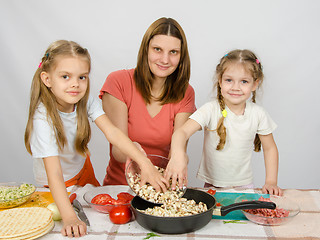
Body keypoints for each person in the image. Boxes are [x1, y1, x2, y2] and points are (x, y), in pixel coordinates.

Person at [24, 40, 168, 238]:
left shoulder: (85, 101)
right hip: (54, 182)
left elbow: (114, 133)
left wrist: (144, 163)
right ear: (47, 79)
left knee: (97, 216)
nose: (75, 84)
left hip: (83, 171)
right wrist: (69, 218)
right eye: (65, 76)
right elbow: (54, 173)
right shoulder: (42, 119)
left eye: (82, 77)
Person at [168, 49, 282, 196]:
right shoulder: (210, 109)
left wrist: (271, 181)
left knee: (240, 218)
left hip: (244, 186)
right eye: (229, 80)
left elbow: (270, 149)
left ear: (255, 84)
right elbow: (181, 133)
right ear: (220, 81)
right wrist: (178, 155)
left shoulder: (258, 114)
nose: (235, 87)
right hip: (212, 185)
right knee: (215, 218)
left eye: (244, 81)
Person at [99, 17, 196, 187]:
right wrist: (140, 157)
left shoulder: (186, 92)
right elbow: (119, 151)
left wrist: (181, 157)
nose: (165, 60)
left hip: (161, 190)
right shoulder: (118, 82)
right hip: (119, 189)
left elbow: (177, 149)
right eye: (157, 49)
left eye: (173, 52)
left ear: (181, 57)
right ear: (146, 50)